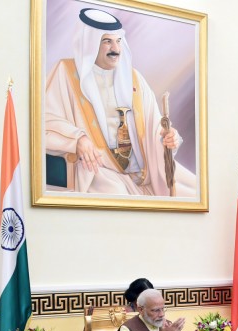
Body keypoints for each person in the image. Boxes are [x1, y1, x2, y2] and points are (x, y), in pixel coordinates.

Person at [45, 8, 195, 196]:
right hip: (98, 171)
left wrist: (169, 137)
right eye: (107, 41)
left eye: (118, 41)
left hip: (143, 175)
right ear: (90, 43)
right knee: (115, 192)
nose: (115, 48)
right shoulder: (66, 73)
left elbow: (155, 127)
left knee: (193, 193)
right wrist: (78, 139)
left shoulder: (134, 79)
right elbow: (44, 120)